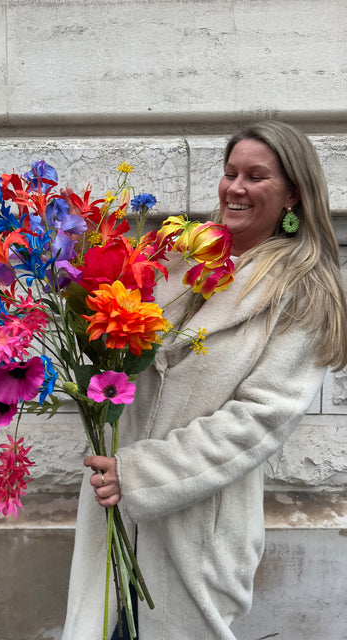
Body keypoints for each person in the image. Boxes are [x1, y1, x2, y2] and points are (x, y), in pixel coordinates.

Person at [61, 121, 347, 640]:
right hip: (112, 510)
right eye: (230, 173)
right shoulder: (179, 257)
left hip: (195, 527)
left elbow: (258, 420)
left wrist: (140, 474)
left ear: (293, 195)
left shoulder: (303, 293)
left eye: (256, 176)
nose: (235, 188)